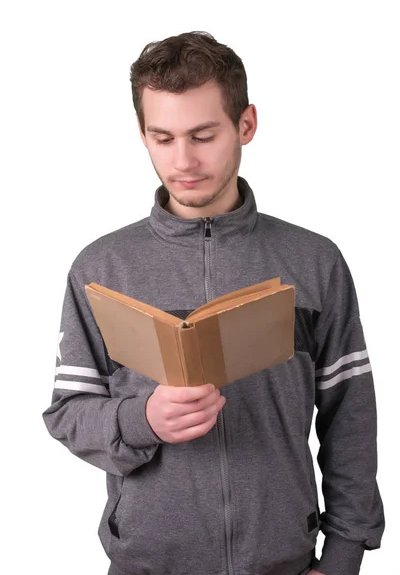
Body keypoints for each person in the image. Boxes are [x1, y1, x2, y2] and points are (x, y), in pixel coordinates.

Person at [43, 31, 384, 575]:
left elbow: (351, 418)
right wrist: (143, 420)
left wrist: (344, 556)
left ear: (246, 124)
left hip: (286, 563)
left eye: (204, 135)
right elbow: (68, 413)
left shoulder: (314, 262)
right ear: (143, 134)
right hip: (145, 564)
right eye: (163, 137)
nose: (183, 160)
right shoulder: (101, 268)